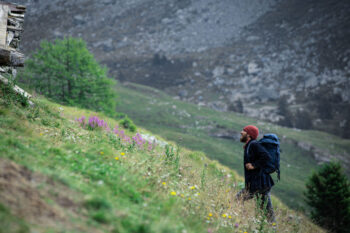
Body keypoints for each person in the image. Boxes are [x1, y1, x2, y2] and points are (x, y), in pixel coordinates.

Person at [236, 125, 275, 222]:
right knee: (267, 213)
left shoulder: (254, 144)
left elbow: (266, 156)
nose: (241, 132)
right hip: (258, 184)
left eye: (244, 131)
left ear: (249, 134)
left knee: (238, 199)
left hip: (259, 184)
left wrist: (254, 165)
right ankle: (272, 227)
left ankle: (234, 217)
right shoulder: (249, 145)